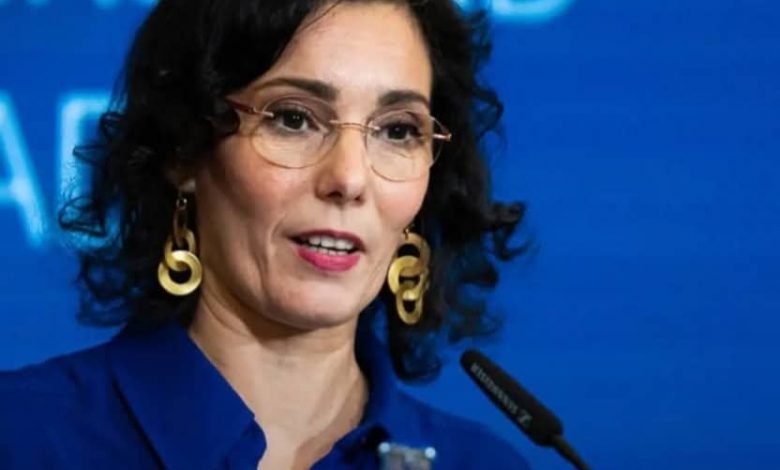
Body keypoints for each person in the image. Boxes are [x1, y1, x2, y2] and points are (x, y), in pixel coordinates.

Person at [0, 0, 529, 468]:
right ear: (185, 148)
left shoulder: (482, 465)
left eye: (397, 130)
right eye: (293, 119)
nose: (349, 179)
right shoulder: (23, 437)